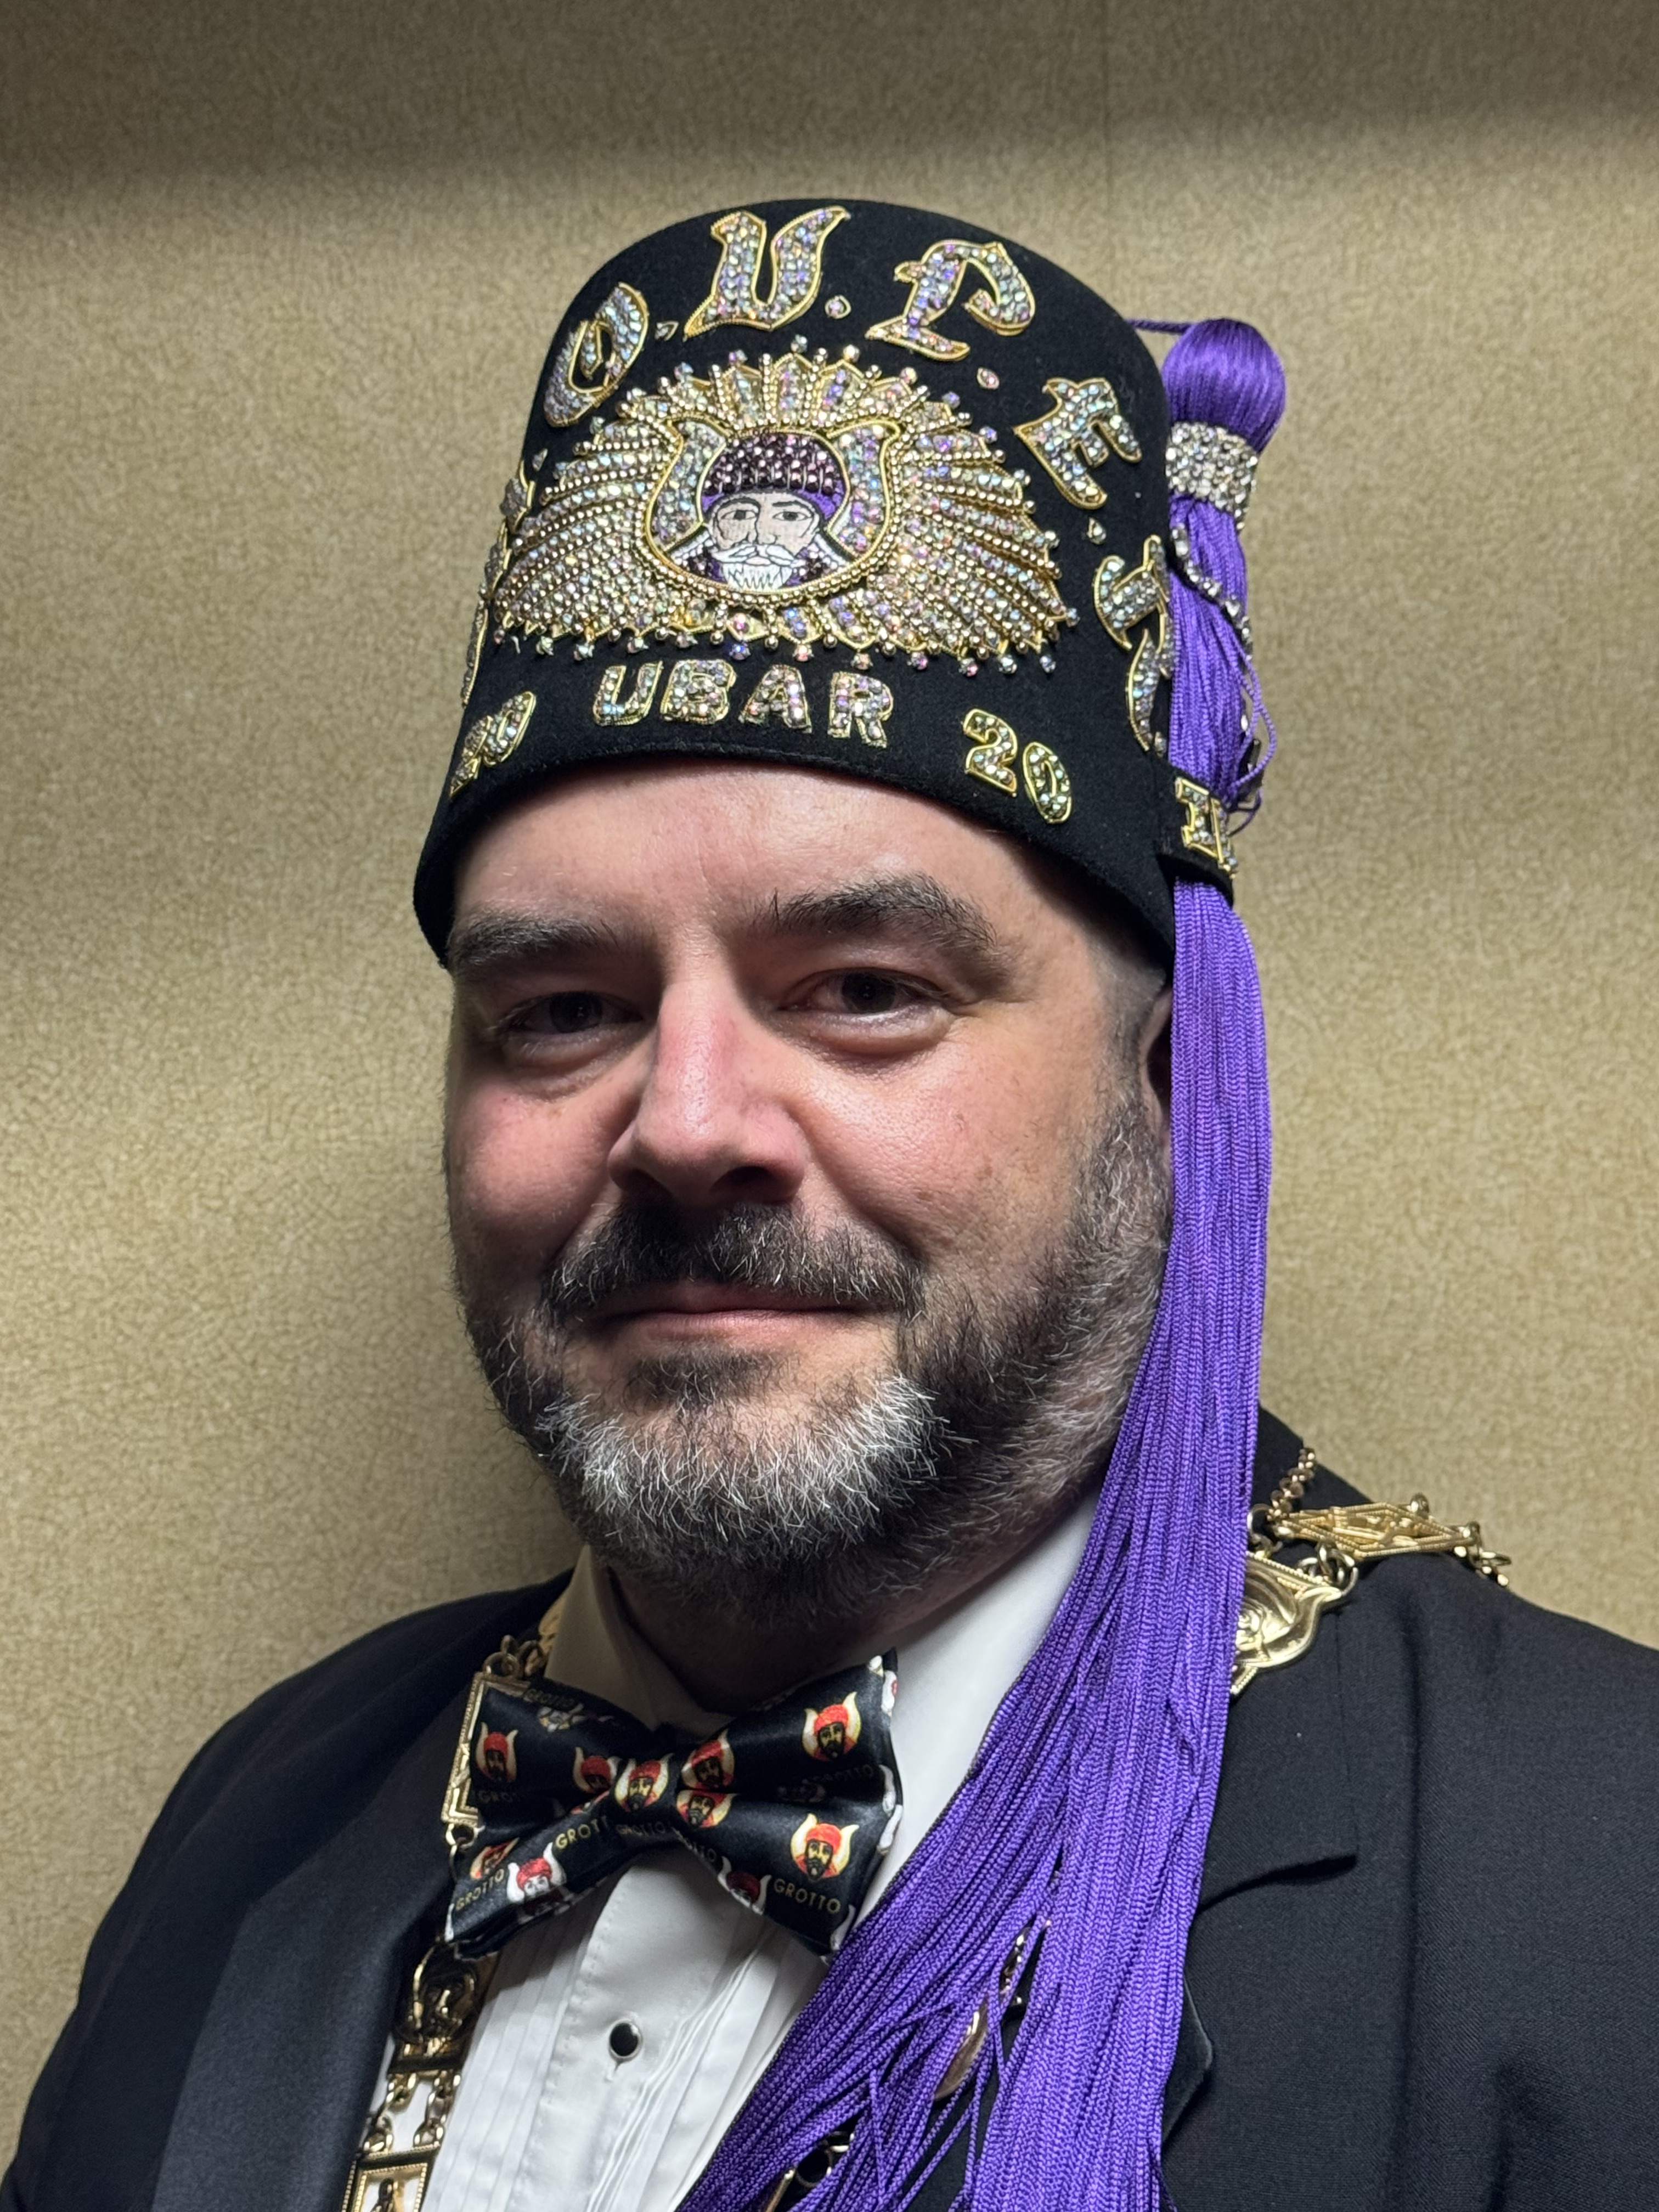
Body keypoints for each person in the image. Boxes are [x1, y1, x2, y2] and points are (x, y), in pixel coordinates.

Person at [7, 198, 1658, 2212]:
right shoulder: (256, 1817)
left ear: (1166, 1087)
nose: (686, 1124)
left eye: (866, 990)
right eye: (562, 1011)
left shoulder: (1602, 1869)